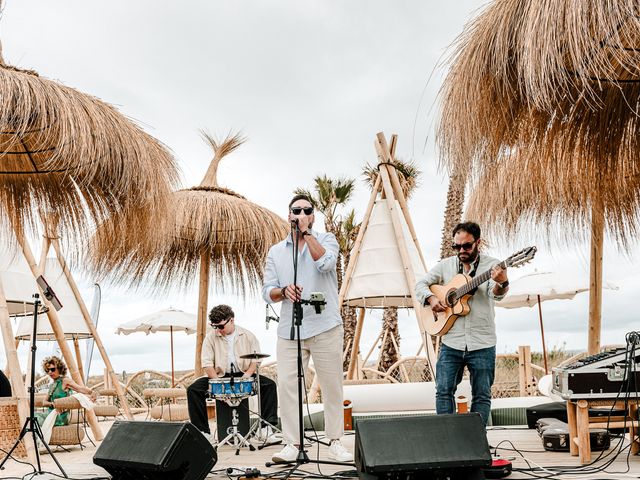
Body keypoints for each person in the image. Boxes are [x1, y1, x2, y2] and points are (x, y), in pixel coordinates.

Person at [262, 193, 353, 463]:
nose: (300, 214)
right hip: (290, 329)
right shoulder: (276, 252)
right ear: (288, 215)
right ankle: (292, 442)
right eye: (296, 210)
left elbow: (325, 264)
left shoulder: (326, 240)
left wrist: (307, 234)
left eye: (306, 210)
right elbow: (267, 291)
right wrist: (283, 291)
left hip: (324, 325)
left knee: (331, 385)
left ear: (312, 216)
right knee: (288, 387)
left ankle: (335, 441)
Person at [415, 222, 509, 426]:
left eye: (466, 246)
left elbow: (497, 295)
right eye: (456, 247)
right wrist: (431, 299)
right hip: (452, 341)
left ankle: (476, 441)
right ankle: (448, 441)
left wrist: (502, 282)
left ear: (478, 242)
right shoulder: (445, 266)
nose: (461, 251)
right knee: (443, 391)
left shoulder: (492, 266)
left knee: (482, 395)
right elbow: (420, 285)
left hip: (482, 342)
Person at [187, 304, 280, 446]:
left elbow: (256, 360)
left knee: (269, 385)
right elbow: (207, 364)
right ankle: (203, 433)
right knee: (193, 390)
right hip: (218, 377)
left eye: (221, 326)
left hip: (243, 374)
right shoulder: (210, 337)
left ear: (231, 320)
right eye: (215, 326)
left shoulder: (247, 335)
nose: (218, 330)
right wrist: (219, 383)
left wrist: (248, 375)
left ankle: (266, 429)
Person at [35, 356, 97, 427]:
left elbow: (79, 388)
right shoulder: (52, 385)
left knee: (35, 418)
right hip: (51, 413)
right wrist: (54, 404)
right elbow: (44, 402)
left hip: (61, 416)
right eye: (47, 370)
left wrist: (91, 392)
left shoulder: (65, 381)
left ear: (59, 369)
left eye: (52, 369)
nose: (50, 372)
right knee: (32, 417)